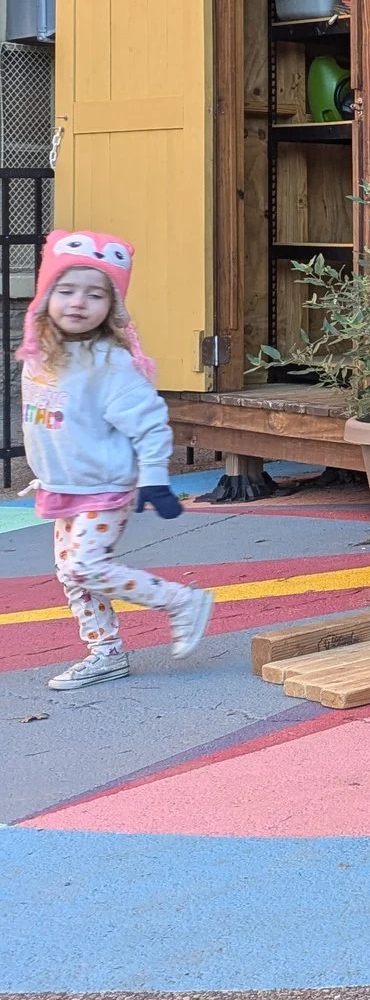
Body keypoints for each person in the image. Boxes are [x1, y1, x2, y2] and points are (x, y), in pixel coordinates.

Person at [19, 231, 213, 691]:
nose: (79, 302)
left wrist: (154, 480)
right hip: (63, 486)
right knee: (72, 577)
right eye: (66, 290)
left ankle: (181, 600)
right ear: (46, 295)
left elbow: (148, 424)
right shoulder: (39, 353)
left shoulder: (109, 363)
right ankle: (105, 652)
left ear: (113, 307)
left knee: (82, 566)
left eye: (95, 294)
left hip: (105, 487)